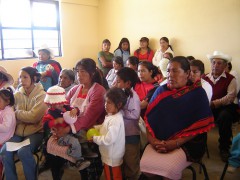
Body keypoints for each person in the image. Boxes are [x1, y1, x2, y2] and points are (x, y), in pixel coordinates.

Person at [140, 56, 215, 179]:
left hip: (188, 143)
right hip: (158, 140)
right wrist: (153, 141)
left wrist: (175, 143)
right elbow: (149, 120)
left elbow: (200, 125)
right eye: (168, 71)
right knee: (146, 168)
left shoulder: (197, 93)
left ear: (187, 73)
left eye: (175, 71)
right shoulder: (161, 91)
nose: (170, 75)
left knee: (168, 170)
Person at [50, 58, 106, 180]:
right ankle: (57, 172)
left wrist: (67, 129)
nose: (79, 75)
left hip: (89, 129)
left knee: (83, 147)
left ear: (92, 73)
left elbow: (88, 118)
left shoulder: (99, 91)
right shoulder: (75, 89)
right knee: (51, 147)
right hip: (71, 125)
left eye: (83, 72)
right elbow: (63, 105)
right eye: (78, 71)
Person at [0, 67, 48, 180]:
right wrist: (23, 115)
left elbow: (34, 117)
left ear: (34, 78)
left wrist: (16, 113)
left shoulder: (42, 95)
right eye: (20, 77)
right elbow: (9, 112)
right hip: (17, 132)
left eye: (25, 77)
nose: (21, 80)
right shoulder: (17, 95)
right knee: (4, 151)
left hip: (35, 132)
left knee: (23, 152)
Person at [42, 86, 90, 171]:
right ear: (51, 103)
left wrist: (75, 110)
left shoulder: (65, 107)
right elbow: (45, 125)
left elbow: (77, 110)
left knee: (82, 133)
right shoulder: (50, 113)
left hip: (71, 129)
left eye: (62, 102)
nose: (61, 104)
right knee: (74, 141)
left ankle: (85, 150)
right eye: (58, 103)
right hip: (61, 136)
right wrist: (55, 121)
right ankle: (77, 161)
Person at [203, 51, 238, 162]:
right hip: (207, 106)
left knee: (225, 117)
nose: (215, 65)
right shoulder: (204, 77)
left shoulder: (231, 79)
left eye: (219, 63)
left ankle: (224, 147)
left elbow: (230, 97)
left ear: (225, 65)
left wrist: (213, 103)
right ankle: (197, 144)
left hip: (224, 107)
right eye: (213, 63)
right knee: (195, 115)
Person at [93, 87, 127, 180]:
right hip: (111, 155)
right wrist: (97, 128)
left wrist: (94, 138)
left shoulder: (115, 120)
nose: (105, 105)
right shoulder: (112, 116)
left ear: (119, 104)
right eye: (105, 102)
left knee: (113, 176)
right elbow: (106, 128)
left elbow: (109, 139)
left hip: (111, 157)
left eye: (109, 103)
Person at [116, 67, 141, 179]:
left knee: (131, 163)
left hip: (131, 135)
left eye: (118, 81)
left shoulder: (133, 96)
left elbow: (135, 115)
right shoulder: (122, 93)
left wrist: (121, 111)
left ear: (128, 83)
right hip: (121, 133)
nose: (116, 84)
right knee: (121, 162)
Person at [0, 88, 16, 179]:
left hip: (4, 140)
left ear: (7, 101)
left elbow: (6, 128)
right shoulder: (3, 109)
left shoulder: (8, 112)